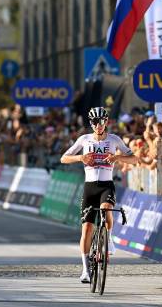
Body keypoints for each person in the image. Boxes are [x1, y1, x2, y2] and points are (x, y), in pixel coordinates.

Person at [60, 107, 137, 284]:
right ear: (91, 123)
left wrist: (117, 158)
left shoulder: (114, 139)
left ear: (106, 122)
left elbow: (134, 159)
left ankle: (109, 238)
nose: (98, 125)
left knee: (106, 209)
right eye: (95, 122)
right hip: (89, 187)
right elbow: (64, 158)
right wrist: (81, 158)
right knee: (86, 229)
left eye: (101, 121)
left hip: (106, 186)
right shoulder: (84, 139)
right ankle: (86, 270)